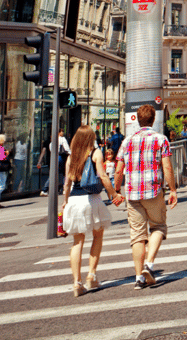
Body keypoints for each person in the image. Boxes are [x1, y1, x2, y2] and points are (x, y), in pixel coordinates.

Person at [113, 104, 177, 289]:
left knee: (137, 237)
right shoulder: (160, 139)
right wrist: (172, 189)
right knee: (158, 227)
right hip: (154, 191)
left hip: (132, 194)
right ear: (153, 119)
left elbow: (118, 170)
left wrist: (117, 191)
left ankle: (139, 277)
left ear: (138, 120)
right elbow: (166, 167)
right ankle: (149, 264)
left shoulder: (127, 141)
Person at [63, 124, 118, 297]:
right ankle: (91, 276)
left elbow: (67, 184)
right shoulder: (95, 153)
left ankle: (76, 283)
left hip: (74, 200)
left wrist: (65, 202)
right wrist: (113, 194)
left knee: (77, 242)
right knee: (97, 235)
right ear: (90, 138)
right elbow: (102, 175)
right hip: (91, 199)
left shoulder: (71, 157)